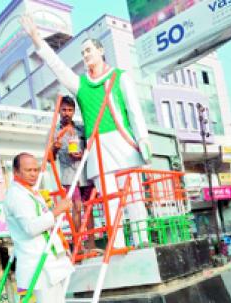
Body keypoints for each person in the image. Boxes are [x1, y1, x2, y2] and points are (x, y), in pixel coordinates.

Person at [20, 13, 150, 248]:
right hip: (98, 148)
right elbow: (58, 67)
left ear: (101, 51)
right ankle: (117, 245)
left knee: (133, 197)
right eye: (83, 53)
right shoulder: (80, 85)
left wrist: (143, 139)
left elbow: (134, 112)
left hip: (124, 144)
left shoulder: (120, 78)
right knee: (109, 201)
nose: (86, 55)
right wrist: (37, 39)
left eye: (89, 50)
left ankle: (143, 241)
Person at [3, 152, 88, 303]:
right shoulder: (17, 196)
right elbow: (31, 228)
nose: (33, 173)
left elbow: (48, 230)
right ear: (16, 172)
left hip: (52, 263)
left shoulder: (29, 193)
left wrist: (64, 249)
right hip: (40, 267)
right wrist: (57, 210)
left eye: (35, 169)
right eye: (28, 170)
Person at [52, 95, 97, 253]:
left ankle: (91, 244)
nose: (66, 113)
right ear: (59, 111)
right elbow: (50, 156)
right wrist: (56, 148)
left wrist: (82, 152)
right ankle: (79, 245)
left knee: (89, 208)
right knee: (76, 207)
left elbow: (91, 146)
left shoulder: (80, 128)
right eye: (64, 109)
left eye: (70, 110)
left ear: (74, 111)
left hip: (85, 173)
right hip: (69, 175)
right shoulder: (54, 131)